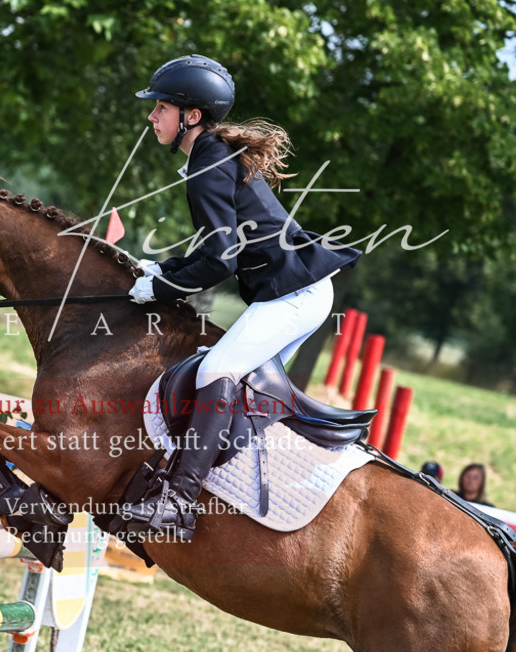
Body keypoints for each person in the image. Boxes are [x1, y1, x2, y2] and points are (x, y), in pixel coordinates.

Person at [124, 55, 362, 540]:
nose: (152, 116)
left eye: (161, 107)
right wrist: (162, 269)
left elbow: (220, 263)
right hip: (297, 289)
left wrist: (159, 289)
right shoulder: (209, 153)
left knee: (217, 371)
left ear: (191, 115)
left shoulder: (209, 160)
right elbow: (218, 246)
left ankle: (177, 499)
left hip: (293, 293)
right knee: (243, 387)